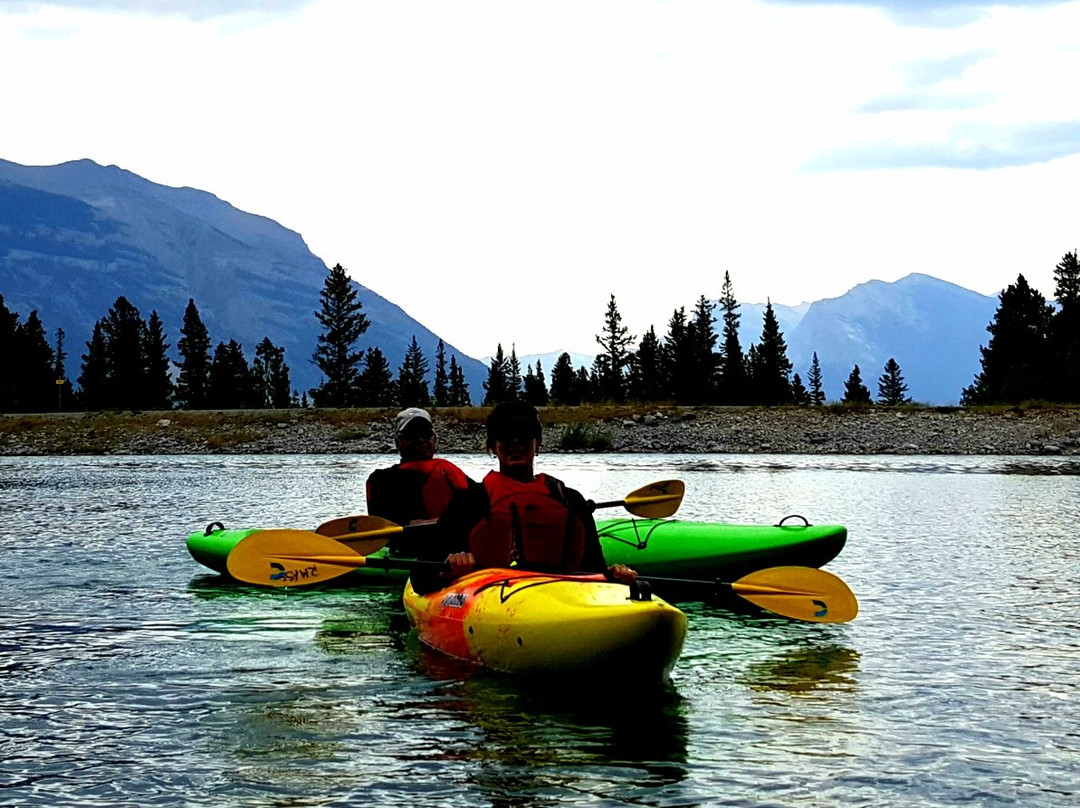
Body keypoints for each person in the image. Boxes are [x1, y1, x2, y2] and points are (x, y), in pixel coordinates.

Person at [414, 401, 636, 592]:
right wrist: (449, 566)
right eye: (505, 436)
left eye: (524, 434)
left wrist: (613, 575)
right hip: (490, 601)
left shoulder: (571, 501)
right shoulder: (471, 501)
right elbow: (420, 579)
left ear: (537, 442)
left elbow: (593, 569)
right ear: (492, 446)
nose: (515, 441)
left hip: (563, 598)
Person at [365, 407, 471, 528]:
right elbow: (385, 523)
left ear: (434, 439)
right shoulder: (381, 480)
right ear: (398, 443)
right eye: (412, 435)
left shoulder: (450, 473)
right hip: (407, 543)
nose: (420, 440)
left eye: (426, 434)